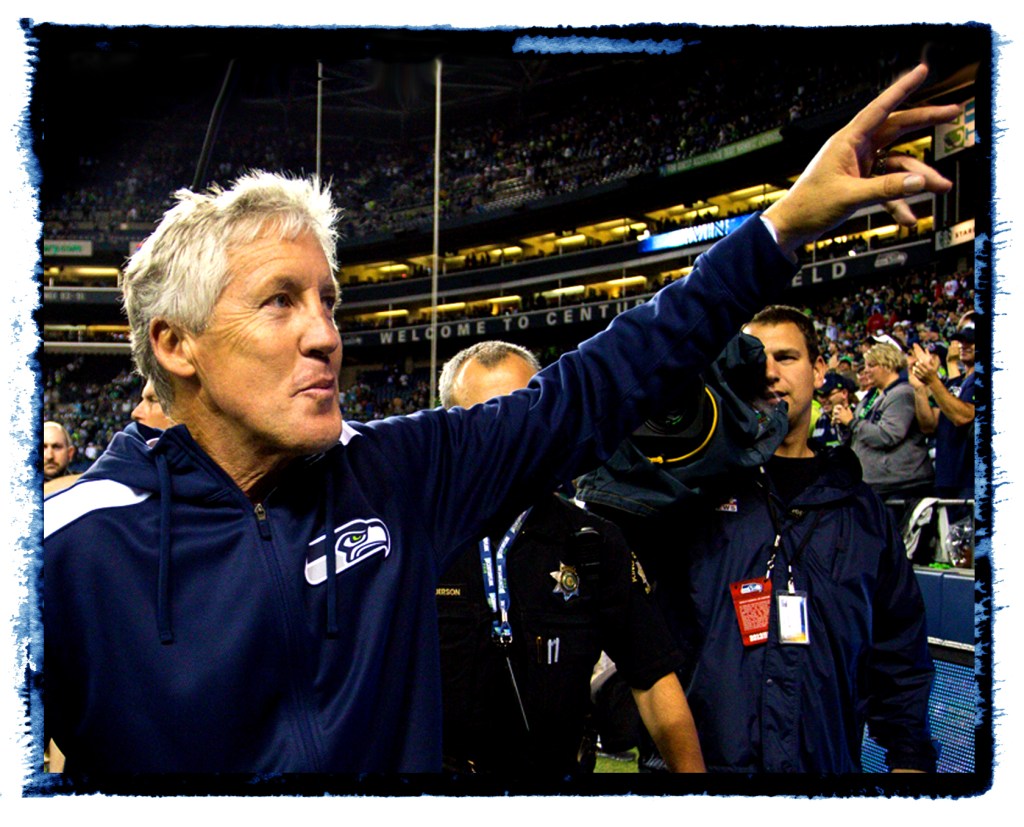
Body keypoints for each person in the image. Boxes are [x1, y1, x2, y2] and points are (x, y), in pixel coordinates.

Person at [42, 64, 959, 774]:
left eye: (330, 301)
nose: (326, 335)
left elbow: (598, 383)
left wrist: (782, 227)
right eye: (281, 302)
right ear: (176, 343)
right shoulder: (60, 550)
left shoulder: (400, 475)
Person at [577, 306, 936, 773]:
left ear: (819, 369)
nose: (769, 373)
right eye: (752, 361)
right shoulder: (688, 493)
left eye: (786, 357)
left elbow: (899, 653)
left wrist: (909, 759)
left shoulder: (861, 510)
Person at [435, 341, 705, 775]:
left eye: (524, 411)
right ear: (452, 429)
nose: (508, 432)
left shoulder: (594, 541)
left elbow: (653, 679)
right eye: (486, 417)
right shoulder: (414, 542)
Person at [833, 341, 935, 510]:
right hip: (875, 484)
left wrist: (851, 422)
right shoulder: (870, 396)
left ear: (888, 365)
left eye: (871, 365)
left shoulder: (902, 393)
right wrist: (844, 425)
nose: (866, 370)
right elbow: (855, 436)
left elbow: (887, 436)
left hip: (901, 486)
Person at [909, 327, 976, 501]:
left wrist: (932, 380)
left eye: (971, 342)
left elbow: (964, 416)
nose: (964, 346)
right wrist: (920, 388)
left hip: (969, 479)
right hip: (946, 476)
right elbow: (929, 424)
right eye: (962, 342)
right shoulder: (957, 382)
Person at [42, 421, 81, 495]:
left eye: (57, 447)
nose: (50, 456)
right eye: (43, 448)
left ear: (70, 453)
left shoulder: (85, 486)